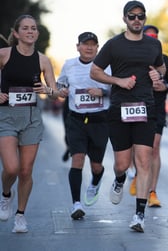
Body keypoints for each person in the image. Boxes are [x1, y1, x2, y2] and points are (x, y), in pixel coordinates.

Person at [90, 0, 166, 233]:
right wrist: (118, 81)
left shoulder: (154, 45)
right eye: (131, 16)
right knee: (122, 163)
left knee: (144, 160)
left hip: (146, 108)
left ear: (144, 18)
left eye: (140, 16)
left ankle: (139, 216)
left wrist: (157, 76)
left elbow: (161, 68)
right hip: (119, 108)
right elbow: (95, 71)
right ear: (124, 19)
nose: (136, 20)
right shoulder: (114, 45)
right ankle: (119, 179)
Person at [0, 14, 63, 233]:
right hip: (6, 116)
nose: (30, 31)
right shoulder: (4, 54)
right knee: (11, 168)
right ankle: (6, 195)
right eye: (25, 28)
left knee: (26, 171)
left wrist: (48, 91)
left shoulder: (43, 60)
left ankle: (20, 215)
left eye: (33, 28)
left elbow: (56, 93)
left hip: (31, 118)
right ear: (16, 33)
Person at [57, 32, 111, 220]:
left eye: (93, 44)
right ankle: (76, 204)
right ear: (78, 46)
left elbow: (116, 88)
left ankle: (95, 181)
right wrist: (61, 90)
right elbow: (60, 83)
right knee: (77, 160)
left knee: (96, 166)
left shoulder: (106, 66)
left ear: (98, 47)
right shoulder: (69, 64)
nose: (89, 48)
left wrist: (102, 92)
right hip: (77, 120)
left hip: (99, 121)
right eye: (85, 44)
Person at [129, 25, 168, 208]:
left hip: (156, 111)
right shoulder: (132, 58)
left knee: (154, 149)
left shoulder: (164, 60)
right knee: (137, 149)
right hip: (136, 109)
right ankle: (138, 175)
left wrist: (164, 86)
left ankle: (152, 191)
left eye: (155, 37)